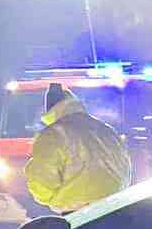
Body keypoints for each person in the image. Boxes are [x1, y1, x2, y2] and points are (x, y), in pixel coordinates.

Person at [24, 83, 132, 215]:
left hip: (77, 214)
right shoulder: (105, 129)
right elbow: (126, 166)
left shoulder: (54, 134)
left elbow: (41, 177)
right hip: (114, 209)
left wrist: (52, 200)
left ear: (49, 109)